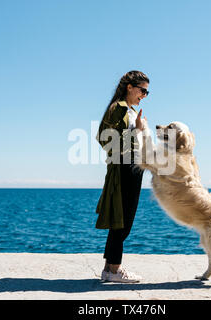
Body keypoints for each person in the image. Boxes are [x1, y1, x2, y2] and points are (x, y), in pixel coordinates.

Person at [95, 70, 150, 283]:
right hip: (124, 170)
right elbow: (103, 138)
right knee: (122, 221)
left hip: (132, 168)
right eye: (142, 90)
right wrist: (136, 129)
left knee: (122, 220)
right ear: (130, 87)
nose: (144, 95)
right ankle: (115, 269)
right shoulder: (118, 108)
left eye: (147, 92)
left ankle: (109, 269)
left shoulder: (130, 109)